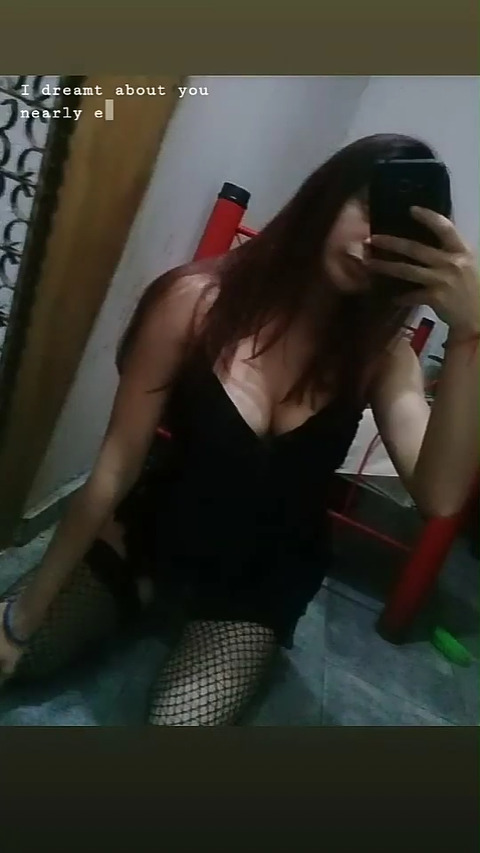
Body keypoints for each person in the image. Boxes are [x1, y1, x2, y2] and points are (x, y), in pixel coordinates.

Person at [0, 133, 478, 725]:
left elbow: (441, 497)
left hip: (259, 581)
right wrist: (21, 620)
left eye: (397, 227)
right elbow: (114, 470)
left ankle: (192, 618)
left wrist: (470, 334)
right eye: (366, 206)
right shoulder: (195, 303)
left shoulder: (383, 356)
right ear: (326, 195)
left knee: (178, 731)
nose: (372, 241)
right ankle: (143, 593)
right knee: (20, 654)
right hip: (152, 535)